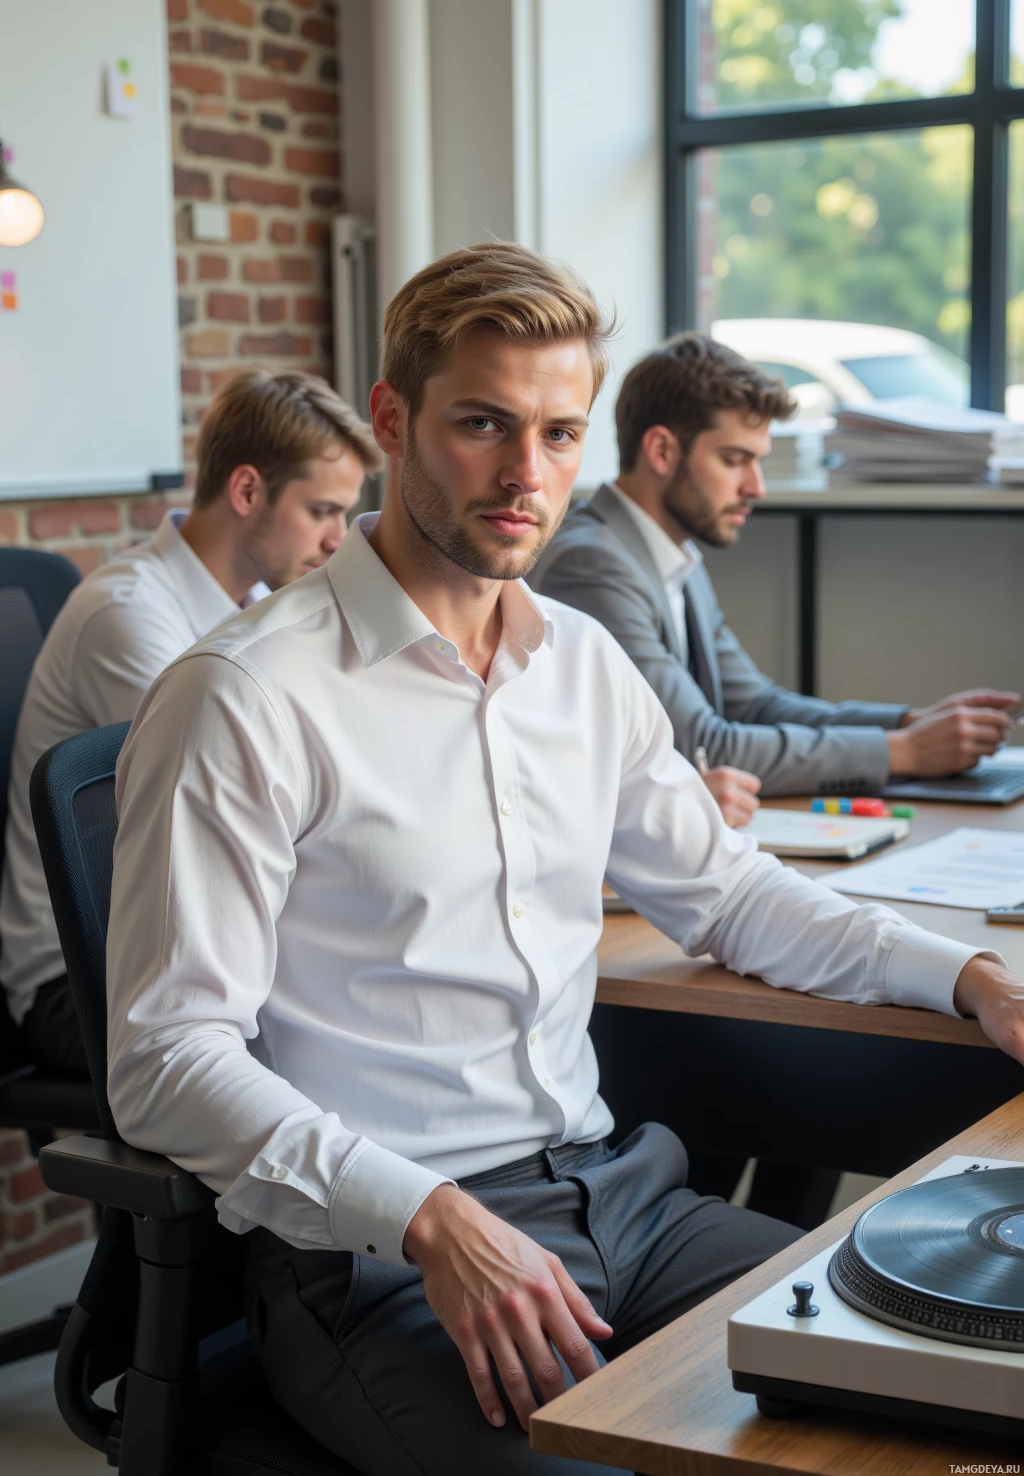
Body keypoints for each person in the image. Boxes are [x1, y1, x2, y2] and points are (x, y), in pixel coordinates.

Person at [105, 245, 1024, 1476]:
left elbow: (731, 893)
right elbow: (167, 1061)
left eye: (556, 433)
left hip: (620, 1201)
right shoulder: (243, 695)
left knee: (948, 1389)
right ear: (392, 421)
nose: (523, 474)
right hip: (380, 1256)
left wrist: (972, 978)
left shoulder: (580, 663)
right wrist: (427, 1220)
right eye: (481, 425)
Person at [0, 369, 379, 1077]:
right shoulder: (130, 618)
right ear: (245, 492)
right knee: (333, 1053)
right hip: (83, 979)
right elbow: (225, 813)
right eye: (323, 511)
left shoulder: (265, 609)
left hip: (189, 944)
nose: (338, 540)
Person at [531, 333, 1021, 813]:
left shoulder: (670, 554)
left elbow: (756, 704)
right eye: (734, 460)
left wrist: (908, 722)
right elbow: (701, 747)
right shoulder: (594, 564)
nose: (756, 488)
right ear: (661, 451)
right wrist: (907, 751)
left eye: (757, 463)